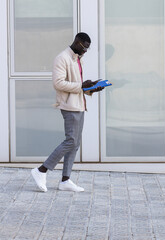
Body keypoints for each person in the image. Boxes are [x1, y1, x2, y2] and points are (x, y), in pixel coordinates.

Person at [31, 32, 103, 192]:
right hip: (69, 106)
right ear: (77, 42)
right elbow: (58, 83)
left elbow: (79, 85)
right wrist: (82, 86)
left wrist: (91, 88)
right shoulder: (62, 58)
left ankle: (65, 180)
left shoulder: (77, 59)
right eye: (84, 47)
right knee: (70, 141)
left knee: (75, 144)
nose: (85, 51)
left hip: (79, 105)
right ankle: (41, 170)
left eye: (87, 49)